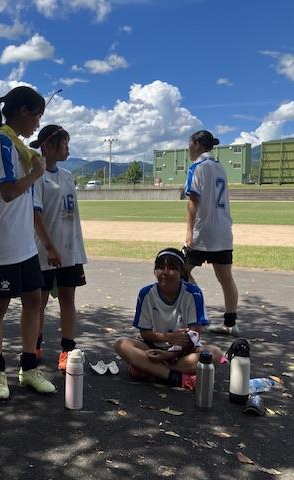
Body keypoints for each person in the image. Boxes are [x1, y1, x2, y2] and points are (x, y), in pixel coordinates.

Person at [0, 86, 55, 399]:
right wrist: (36, 173)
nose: (37, 124)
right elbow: (8, 192)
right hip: (2, 245)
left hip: (23, 243)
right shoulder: (2, 142)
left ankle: (28, 367)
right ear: (23, 111)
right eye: (37, 116)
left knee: (34, 301)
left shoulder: (15, 144)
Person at [114, 248, 222, 387]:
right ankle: (176, 377)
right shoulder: (146, 293)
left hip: (183, 351)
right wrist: (168, 338)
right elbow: (145, 333)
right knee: (121, 344)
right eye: (160, 268)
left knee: (215, 354)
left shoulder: (193, 293)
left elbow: (194, 335)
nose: (165, 272)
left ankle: (153, 370)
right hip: (153, 347)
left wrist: (170, 354)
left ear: (181, 272)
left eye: (171, 268)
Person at [30, 125, 87, 371]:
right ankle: (35, 345)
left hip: (70, 248)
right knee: (38, 302)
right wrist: (50, 247)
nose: (68, 148)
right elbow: (35, 214)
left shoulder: (66, 175)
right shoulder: (37, 176)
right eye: (64, 143)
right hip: (44, 251)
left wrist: (64, 248)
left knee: (67, 299)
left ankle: (67, 349)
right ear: (48, 146)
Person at [183, 130, 239, 336]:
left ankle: (199, 313)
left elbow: (193, 202)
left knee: (182, 271)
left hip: (204, 232)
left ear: (197, 144)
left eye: (189, 144)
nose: (188, 148)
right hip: (224, 230)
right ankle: (230, 323)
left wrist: (189, 233)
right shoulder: (220, 167)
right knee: (225, 277)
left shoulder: (197, 167)